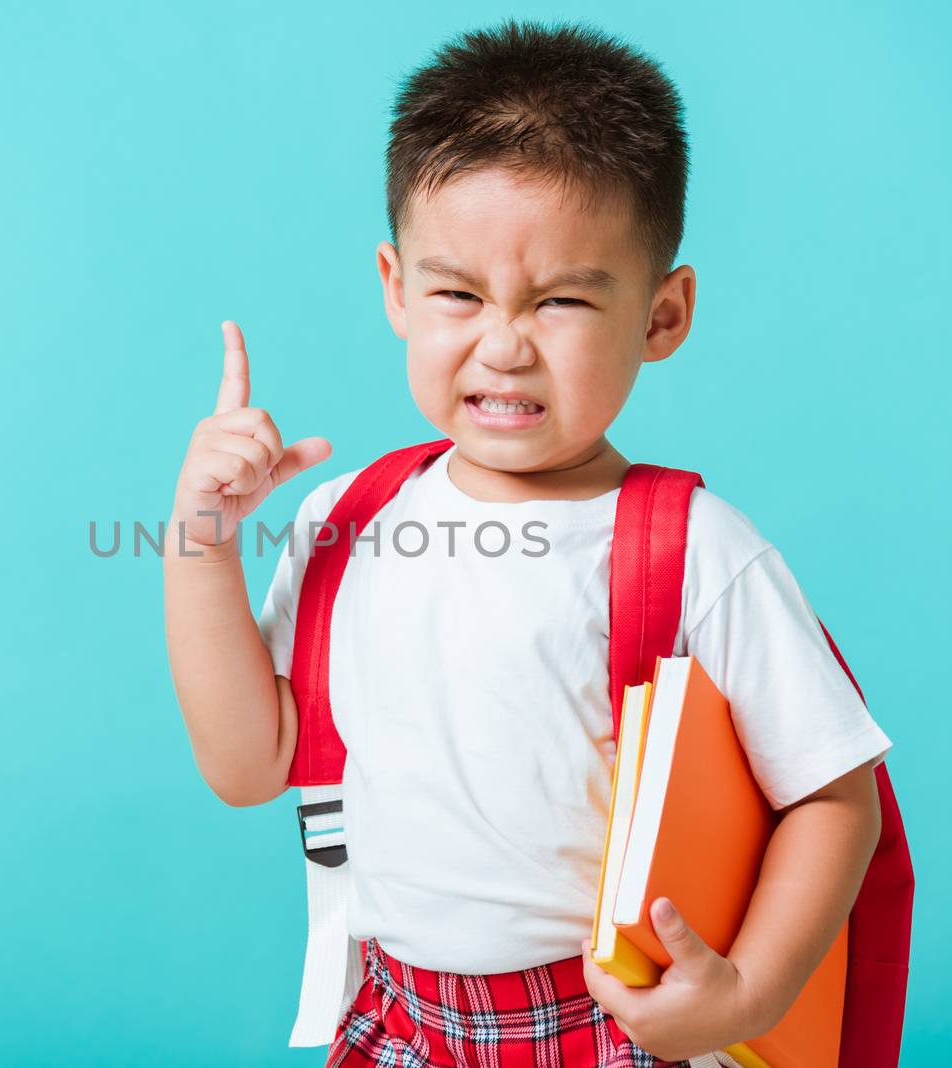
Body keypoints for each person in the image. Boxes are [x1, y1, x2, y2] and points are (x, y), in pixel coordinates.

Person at [163, 18, 891, 1067]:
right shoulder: (348, 520)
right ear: (394, 287)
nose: (501, 344)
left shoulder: (693, 549)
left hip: (610, 1025)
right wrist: (201, 543)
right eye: (456, 292)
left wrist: (743, 998)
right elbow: (248, 764)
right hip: (397, 1017)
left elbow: (833, 795)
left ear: (662, 314)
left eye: (560, 301)